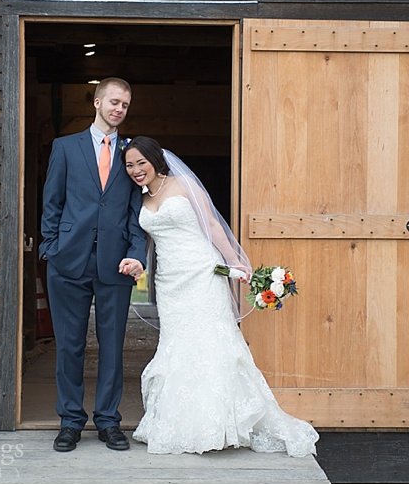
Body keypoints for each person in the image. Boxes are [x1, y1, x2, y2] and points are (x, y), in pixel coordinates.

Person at [121, 136, 320, 457]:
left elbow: (211, 224)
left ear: (156, 160)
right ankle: (183, 423)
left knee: (213, 342)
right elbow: (143, 242)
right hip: (169, 281)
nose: (136, 170)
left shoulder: (184, 185)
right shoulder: (139, 199)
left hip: (202, 271)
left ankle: (223, 424)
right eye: (129, 165)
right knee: (178, 345)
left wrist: (234, 261)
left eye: (141, 163)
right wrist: (138, 265)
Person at [39, 78, 147, 452]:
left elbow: (137, 213)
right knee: (69, 344)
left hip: (115, 263)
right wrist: (50, 248)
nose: (120, 109)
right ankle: (70, 420)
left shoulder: (132, 154)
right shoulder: (65, 148)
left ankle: (108, 421)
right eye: (114, 102)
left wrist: (137, 253)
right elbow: (51, 201)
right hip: (68, 260)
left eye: (126, 105)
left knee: (112, 345)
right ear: (98, 102)